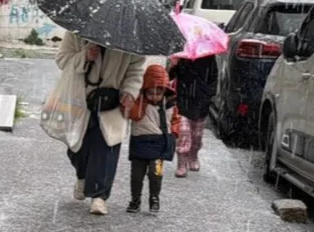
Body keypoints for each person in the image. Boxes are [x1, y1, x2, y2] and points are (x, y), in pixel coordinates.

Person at [56, 32, 147, 216]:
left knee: (106, 148)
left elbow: (135, 70)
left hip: (112, 101)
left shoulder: (131, 36)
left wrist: (130, 91)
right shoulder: (77, 31)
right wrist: (85, 57)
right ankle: (82, 175)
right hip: (80, 99)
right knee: (77, 147)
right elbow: (62, 60)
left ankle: (99, 196)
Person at [125, 62, 177, 214]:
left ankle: (154, 197)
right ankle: (135, 199)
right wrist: (138, 100)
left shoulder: (169, 105)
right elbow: (133, 114)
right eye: (150, 92)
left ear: (164, 91)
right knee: (136, 175)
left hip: (159, 146)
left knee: (156, 173)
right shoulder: (139, 102)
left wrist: (175, 133)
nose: (154, 96)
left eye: (158, 93)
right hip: (139, 143)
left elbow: (175, 119)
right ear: (144, 90)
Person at [171, 50, 218, 177]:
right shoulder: (182, 55)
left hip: (201, 101)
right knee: (184, 133)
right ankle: (181, 163)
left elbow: (214, 77)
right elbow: (170, 76)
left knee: (197, 135)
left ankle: (193, 155)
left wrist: (209, 94)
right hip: (184, 100)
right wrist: (174, 65)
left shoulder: (209, 56)